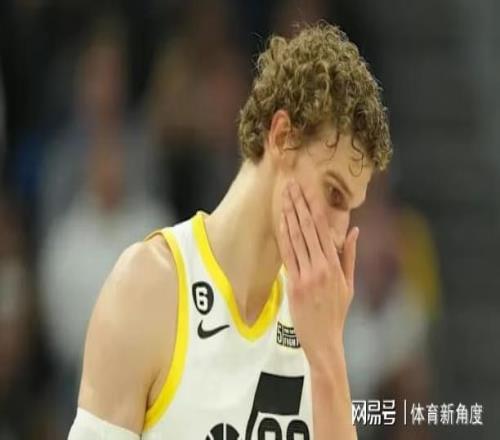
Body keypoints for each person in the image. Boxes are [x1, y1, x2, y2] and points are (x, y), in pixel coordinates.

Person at [69, 22, 392, 439]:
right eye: (333, 193)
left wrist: (328, 355)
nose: (338, 233)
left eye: (350, 209)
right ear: (282, 137)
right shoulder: (148, 287)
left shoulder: (314, 320)